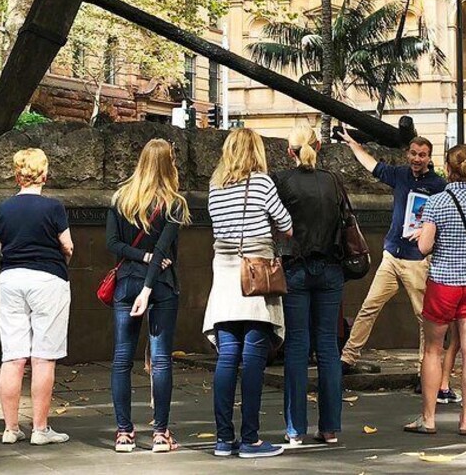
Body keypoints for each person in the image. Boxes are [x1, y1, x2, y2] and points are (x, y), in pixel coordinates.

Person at [203, 128, 293, 459]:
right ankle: (251, 439)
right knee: (253, 358)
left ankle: (223, 440)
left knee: (227, 357)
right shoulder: (262, 183)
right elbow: (286, 224)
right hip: (256, 277)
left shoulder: (215, 186)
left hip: (224, 275)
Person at [337, 130, 446, 376]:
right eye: (414, 153)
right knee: (369, 306)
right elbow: (373, 166)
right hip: (391, 255)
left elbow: (444, 220)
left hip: (416, 260)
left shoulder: (438, 186)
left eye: (423, 155)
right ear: (408, 154)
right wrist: (353, 144)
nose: (417, 159)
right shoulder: (400, 175)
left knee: (423, 317)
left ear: (429, 157)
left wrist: (429, 233)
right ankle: (347, 358)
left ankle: (424, 370)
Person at [105, 139, 190, 454]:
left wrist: (137, 260)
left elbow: (112, 244)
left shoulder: (121, 199)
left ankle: (124, 433)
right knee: (161, 359)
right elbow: (162, 252)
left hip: (126, 283)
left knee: (121, 358)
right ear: (169, 165)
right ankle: (160, 433)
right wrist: (149, 281)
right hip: (161, 286)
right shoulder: (174, 203)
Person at [403, 145, 466, 436]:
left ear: (447, 168)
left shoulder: (437, 201)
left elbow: (425, 247)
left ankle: (428, 418)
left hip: (443, 283)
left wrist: (422, 237)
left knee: (433, 350)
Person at [0, 148, 74, 446]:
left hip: (11, 279)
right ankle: (40, 429)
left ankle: (10, 428)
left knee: (13, 357)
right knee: (43, 358)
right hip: (47, 280)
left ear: (17, 175)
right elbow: (67, 246)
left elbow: (1, 247)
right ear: (44, 174)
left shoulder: (3, 208)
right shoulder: (53, 207)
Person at [272, 124, 344, 445]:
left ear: (290, 151)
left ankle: (295, 429)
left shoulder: (282, 181)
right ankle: (329, 428)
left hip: (295, 269)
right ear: (319, 146)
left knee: (297, 348)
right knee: (328, 348)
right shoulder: (332, 180)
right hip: (330, 269)